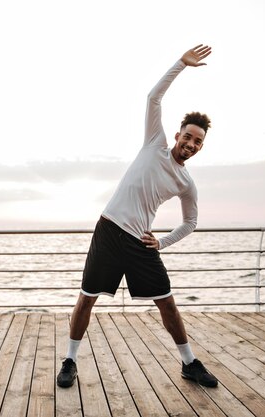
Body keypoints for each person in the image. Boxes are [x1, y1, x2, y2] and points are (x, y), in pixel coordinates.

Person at [57, 44, 218, 389]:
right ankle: (70, 359)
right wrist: (180, 64)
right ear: (177, 135)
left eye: (197, 141)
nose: (190, 143)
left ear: (201, 147)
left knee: (169, 305)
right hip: (108, 231)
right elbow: (153, 98)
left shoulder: (186, 182)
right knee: (86, 298)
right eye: (187, 136)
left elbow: (191, 222)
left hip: (140, 243)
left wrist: (161, 241)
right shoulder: (154, 143)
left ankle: (189, 364)